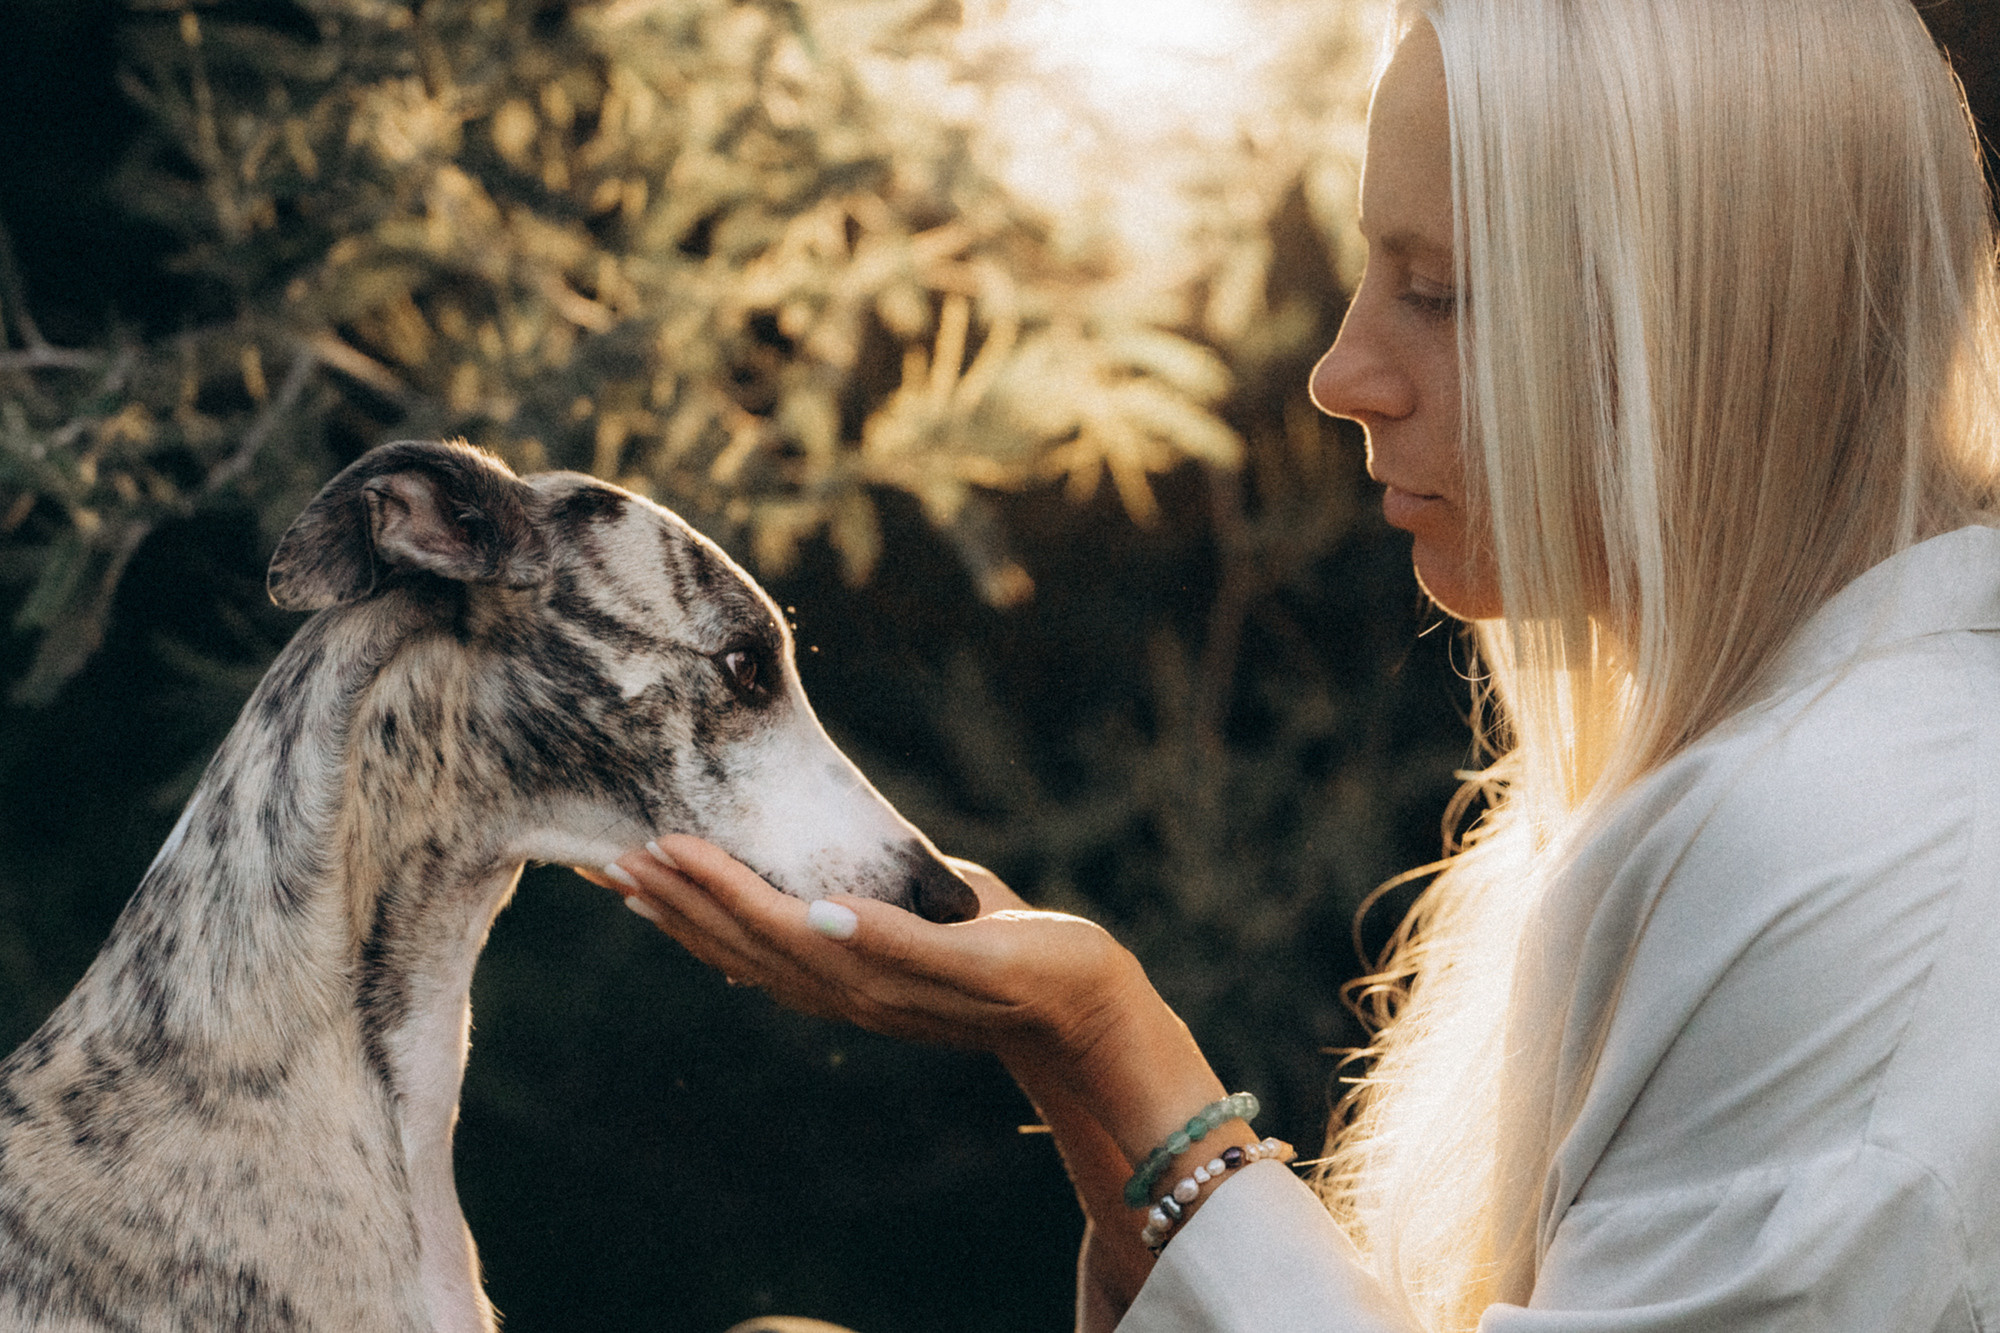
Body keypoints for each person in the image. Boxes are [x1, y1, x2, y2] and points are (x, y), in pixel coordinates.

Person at [588, 0, 2000, 1326]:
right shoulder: (1805, 768)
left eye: (1438, 291)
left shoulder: (1859, 843)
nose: (1342, 373)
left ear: (1701, 322)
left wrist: (1114, 1044)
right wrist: (1080, 1078)